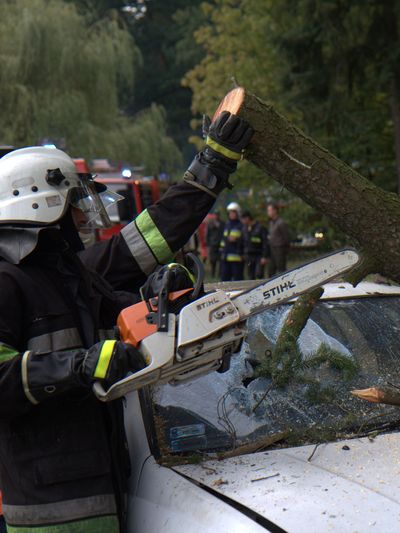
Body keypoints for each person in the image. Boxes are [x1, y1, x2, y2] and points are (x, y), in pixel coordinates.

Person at [0, 111, 253, 531]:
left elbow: (137, 280)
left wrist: (178, 304)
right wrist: (78, 366)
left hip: (106, 488)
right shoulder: (7, 282)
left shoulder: (72, 276)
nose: (84, 218)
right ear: (40, 203)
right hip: (49, 510)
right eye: (75, 206)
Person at [220, 202, 245, 282]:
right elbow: (223, 240)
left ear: (237, 213)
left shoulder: (241, 225)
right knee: (224, 280)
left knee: (238, 280)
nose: (231, 214)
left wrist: (236, 240)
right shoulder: (227, 225)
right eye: (230, 212)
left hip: (237, 258)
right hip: (225, 257)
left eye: (233, 212)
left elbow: (246, 240)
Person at [241, 211, 269, 280]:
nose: (242, 221)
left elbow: (265, 243)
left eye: (243, 219)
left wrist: (264, 256)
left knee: (259, 274)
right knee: (250, 275)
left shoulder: (260, 228)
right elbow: (242, 242)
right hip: (249, 255)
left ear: (247, 218)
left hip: (258, 255)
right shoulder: (245, 229)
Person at [267, 202, 290, 277]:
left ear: (275, 211)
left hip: (280, 248)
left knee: (281, 269)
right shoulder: (271, 223)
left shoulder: (281, 223)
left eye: (269, 210)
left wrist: (285, 248)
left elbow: (286, 236)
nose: (268, 213)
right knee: (271, 269)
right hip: (272, 248)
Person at [203, 211, 223, 278]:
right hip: (212, 245)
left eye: (217, 215)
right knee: (213, 260)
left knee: (220, 260)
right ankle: (213, 274)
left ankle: (220, 273)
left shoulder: (222, 223)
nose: (216, 216)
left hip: (220, 244)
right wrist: (208, 244)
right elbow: (207, 235)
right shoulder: (210, 224)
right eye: (215, 215)